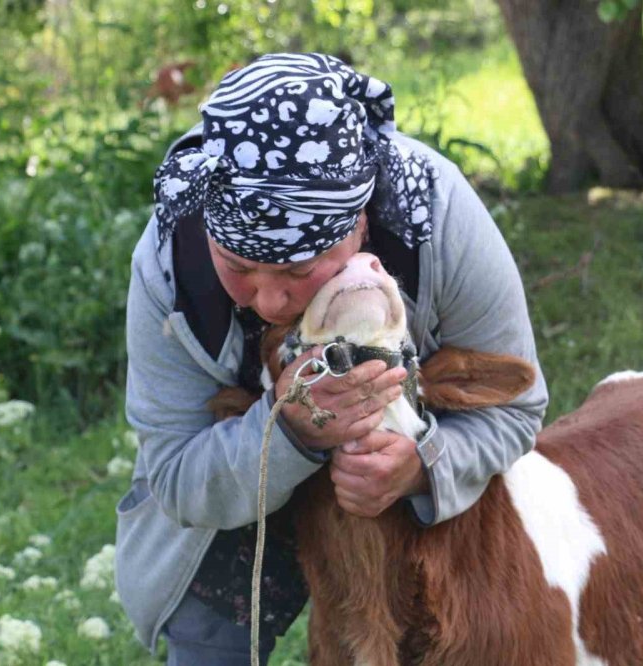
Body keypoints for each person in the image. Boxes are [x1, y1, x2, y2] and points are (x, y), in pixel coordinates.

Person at [115, 53, 548, 665]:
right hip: (236, 484)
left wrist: (422, 466)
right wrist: (287, 430)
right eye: (237, 267)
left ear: (360, 223)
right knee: (207, 630)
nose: (267, 300)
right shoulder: (169, 262)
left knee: (459, 629)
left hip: (405, 500)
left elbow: (518, 411)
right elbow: (175, 476)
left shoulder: (438, 216)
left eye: (297, 270)